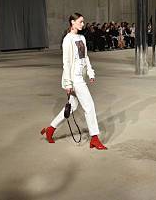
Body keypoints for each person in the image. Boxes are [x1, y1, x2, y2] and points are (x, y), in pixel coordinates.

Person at [40, 12, 107, 150]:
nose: (83, 24)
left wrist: (90, 72)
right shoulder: (68, 39)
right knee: (89, 106)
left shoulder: (81, 37)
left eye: (83, 22)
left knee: (73, 106)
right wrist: (68, 83)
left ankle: (50, 130)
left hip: (80, 77)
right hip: (74, 79)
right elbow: (66, 62)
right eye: (80, 21)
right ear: (72, 22)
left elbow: (85, 57)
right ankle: (94, 138)